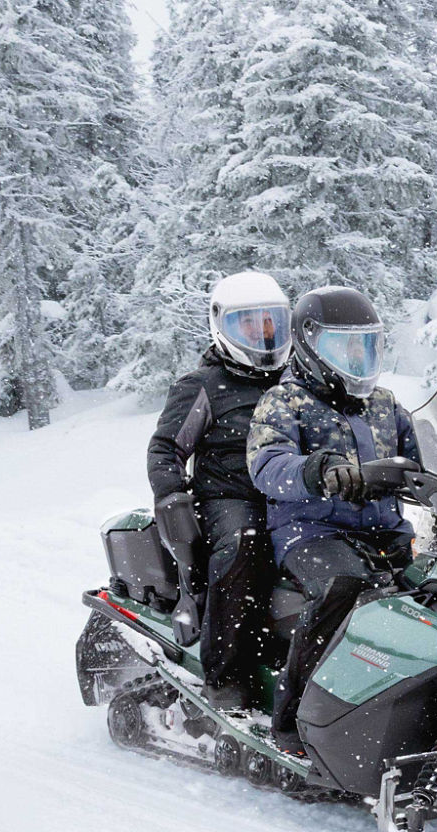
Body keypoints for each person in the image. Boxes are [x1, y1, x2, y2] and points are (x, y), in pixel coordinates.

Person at [247, 286, 420, 752]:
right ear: (309, 344)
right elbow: (267, 464)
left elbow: (428, 459)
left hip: (386, 531)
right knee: (344, 588)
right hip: (312, 532)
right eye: (344, 346)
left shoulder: (385, 404)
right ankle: (293, 723)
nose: (358, 358)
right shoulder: (284, 401)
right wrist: (318, 470)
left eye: (367, 346)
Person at [146, 271, 292, 710]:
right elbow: (166, 447)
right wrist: (173, 496)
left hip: (290, 494)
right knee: (244, 546)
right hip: (230, 498)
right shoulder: (205, 386)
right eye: (248, 325)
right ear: (222, 327)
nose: (262, 335)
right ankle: (226, 676)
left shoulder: (295, 384)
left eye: (271, 324)